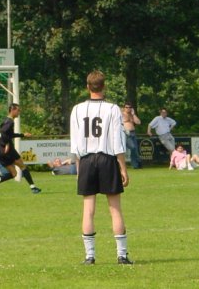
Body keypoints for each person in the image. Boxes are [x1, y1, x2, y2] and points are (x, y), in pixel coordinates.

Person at [70, 70, 132, 265]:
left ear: (88, 87)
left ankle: (90, 256)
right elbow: (117, 141)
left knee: (88, 209)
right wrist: (123, 168)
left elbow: (76, 143)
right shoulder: (112, 108)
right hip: (107, 159)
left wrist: (79, 168)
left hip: (87, 160)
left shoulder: (77, 109)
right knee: (115, 209)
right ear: (104, 86)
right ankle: (121, 255)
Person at [0, 103, 41, 195]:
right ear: (12, 110)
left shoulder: (5, 120)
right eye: (18, 110)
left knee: (13, 173)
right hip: (7, 150)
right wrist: (6, 144)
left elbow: (8, 134)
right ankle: (33, 187)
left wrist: (22, 135)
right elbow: (3, 132)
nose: (19, 112)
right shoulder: (10, 121)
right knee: (23, 166)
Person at [122, 101, 142, 169]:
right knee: (132, 147)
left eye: (129, 107)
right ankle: (138, 162)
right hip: (126, 133)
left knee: (135, 149)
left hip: (133, 132)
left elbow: (138, 122)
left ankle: (136, 165)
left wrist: (133, 114)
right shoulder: (122, 114)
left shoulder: (132, 115)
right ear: (124, 108)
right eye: (126, 107)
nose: (128, 108)